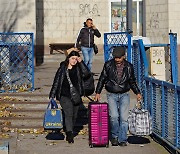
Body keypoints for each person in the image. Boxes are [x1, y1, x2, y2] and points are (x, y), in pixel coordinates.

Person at [95, 46, 142, 146]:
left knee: (124, 118)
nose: (117, 60)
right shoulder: (108, 65)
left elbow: (132, 81)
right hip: (112, 94)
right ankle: (115, 136)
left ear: (123, 57)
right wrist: (98, 92)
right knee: (114, 116)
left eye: (119, 58)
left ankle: (123, 139)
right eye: (115, 58)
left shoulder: (129, 66)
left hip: (124, 94)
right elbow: (102, 78)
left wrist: (137, 92)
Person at [49, 51, 91, 144]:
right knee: (69, 113)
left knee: (74, 115)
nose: (74, 61)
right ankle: (69, 134)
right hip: (64, 95)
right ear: (68, 58)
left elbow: (87, 74)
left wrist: (82, 63)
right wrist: (52, 94)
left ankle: (69, 128)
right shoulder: (62, 68)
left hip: (76, 96)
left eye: (76, 59)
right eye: (73, 58)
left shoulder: (79, 68)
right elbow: (56, 81)